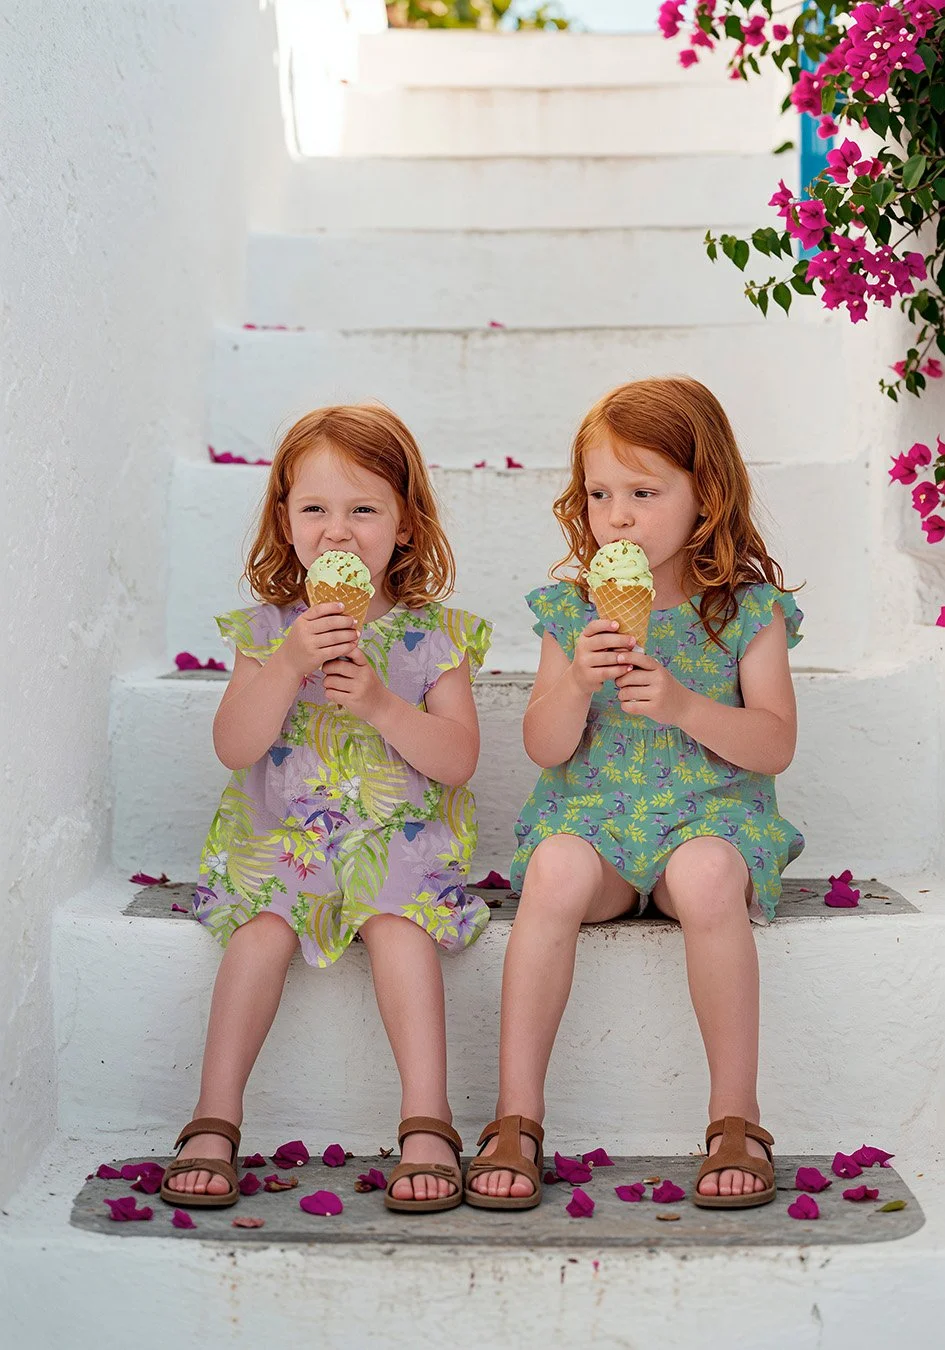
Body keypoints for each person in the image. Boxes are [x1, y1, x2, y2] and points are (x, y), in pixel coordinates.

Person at [466, 376, 804, 1211]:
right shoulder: (572, 613)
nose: (615, 516)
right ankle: (517, 1115)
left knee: (706, 881)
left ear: (706, 497)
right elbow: (542, 745)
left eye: (643, 492)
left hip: (707, 818)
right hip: (598, 819)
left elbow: (775, 741)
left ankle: (734, 1115)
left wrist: (689, 707)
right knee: (552, 874)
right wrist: (576, 684)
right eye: (597, 493)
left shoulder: (743, 612)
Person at [160, 404, 492, 1214]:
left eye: (364, 509)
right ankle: (214, 1115)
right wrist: (283, 667)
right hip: (285, 838)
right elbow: (235, 746)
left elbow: (458, 758)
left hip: (395, 837)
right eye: (315, 508)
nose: (337, 531)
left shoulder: (433, 636)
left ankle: (427, 1121)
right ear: (285, 519)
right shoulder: (266, 630)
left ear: (406, 523)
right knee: (262, 928)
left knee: (399, 924)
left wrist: (382, 704)